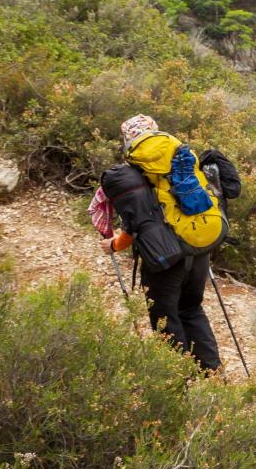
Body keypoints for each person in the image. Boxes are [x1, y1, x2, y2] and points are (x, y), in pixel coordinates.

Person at [91, 114, 222, 372]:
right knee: (191, 309)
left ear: (128, 140)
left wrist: (114, 245)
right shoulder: (179, 156)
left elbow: (135, 226)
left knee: (164, 319)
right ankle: (214, 376)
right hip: (198, 248)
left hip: (165, 260)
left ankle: (177, 383)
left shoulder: (134, 172)